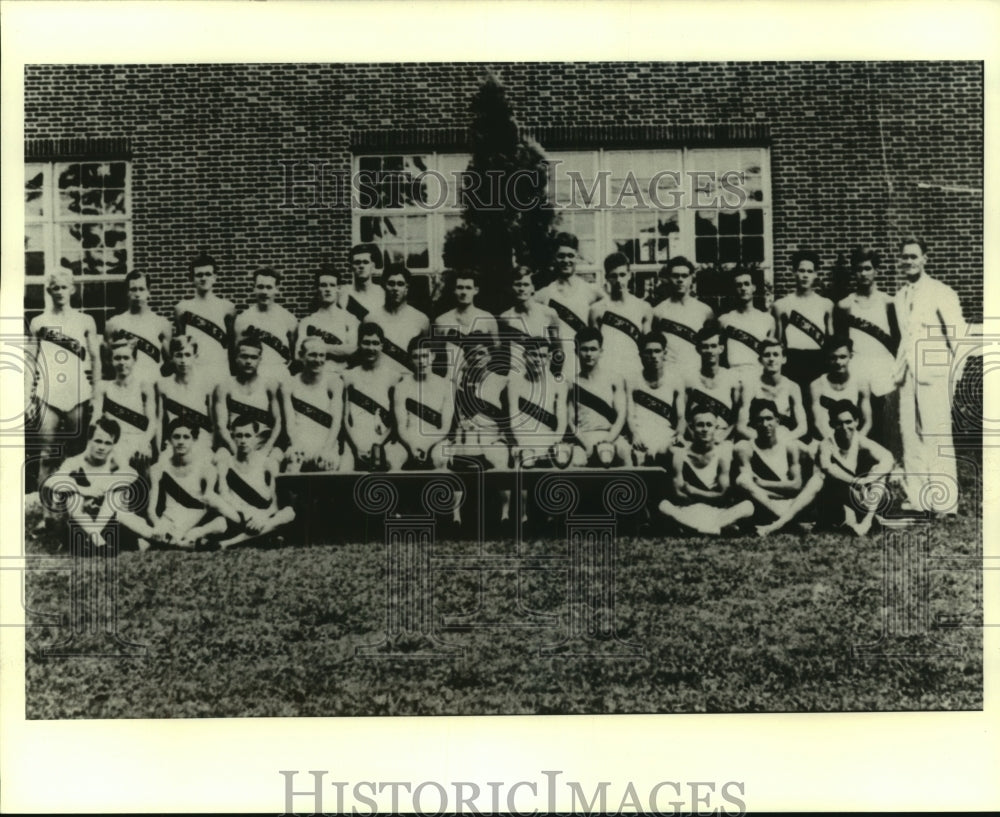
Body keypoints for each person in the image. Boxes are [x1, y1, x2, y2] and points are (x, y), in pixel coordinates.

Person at [893, 236, 970, 515]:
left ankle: (944, 502)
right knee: (909, 435)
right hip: (908, 375)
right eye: (904, 256)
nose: (909, 261)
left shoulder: (941, 292)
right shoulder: (900, 296)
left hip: (935, 374)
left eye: (914, 256)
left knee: (937, 435)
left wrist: (955, 376)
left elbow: (958, 336)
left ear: (925, 259)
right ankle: (917, 498)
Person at [758, 400, 893, 536]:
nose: (845, 427)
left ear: (856, 422)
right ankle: (779, 524)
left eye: (848, 422)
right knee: (819, 478)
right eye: (839, 423)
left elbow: (888, 458)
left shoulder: (862, 442)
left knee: (879, 469)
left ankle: (868, 521)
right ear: (831, 424)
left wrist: (868, 479)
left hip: (867, 499)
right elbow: (827, 468)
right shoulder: (826, 445)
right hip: (837, 502)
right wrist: (855, 481)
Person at [28, 270, 102, 514]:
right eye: (55, 287)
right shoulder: (39, 322)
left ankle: (78, 510)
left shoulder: (85, 321)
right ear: (49, 291)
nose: (60, 292)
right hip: (47, 394)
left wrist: (97, 395)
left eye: (64, 287)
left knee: (78, 454)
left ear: (72, 289)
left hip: (78, 393)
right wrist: (28, 395)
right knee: (47, 455)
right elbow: (31, 360)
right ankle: (47, 514)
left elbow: (96, 359)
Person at [45, 417, 157, 551]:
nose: (102, 447)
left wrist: (101, 488)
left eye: (108, 443)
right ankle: (97, 539)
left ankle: (95, 537)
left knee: (118, 490)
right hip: (80, 521)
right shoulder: (75, 462)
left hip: (106, 520)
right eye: (98, 441)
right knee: (71, 491)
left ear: (114, 444)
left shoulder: (114, 460)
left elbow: (131, 474)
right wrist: (85, 490)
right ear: (89, 440)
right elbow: (50, 482)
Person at [834, 246, 900, 451]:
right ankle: (860, 458)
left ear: (876, 271)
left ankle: (889, 459)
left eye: (867, 268)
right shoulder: (845, 305)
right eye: (859, 269)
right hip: (858, 364)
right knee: (860, 415)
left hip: (883, 363)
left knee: (886, 416)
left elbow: (897, 339)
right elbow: (841, 341)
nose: (863, 273)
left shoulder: (888, 302)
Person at [657, 404, 755, 535]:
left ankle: (696, 529)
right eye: (700, 425)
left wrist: (693, 491)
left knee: (748, 506)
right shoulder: (680, 455)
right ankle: (712, 529)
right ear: (691, 428)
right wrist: (709, 496)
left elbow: (723, 496)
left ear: (716, 428)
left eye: (709, 425)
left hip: (716, 512)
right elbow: (679, 495)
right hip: (689, 511)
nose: (705, 429)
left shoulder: (722, 455)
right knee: (664, 506)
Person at [146, 417, 235, 549]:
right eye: (176, 437)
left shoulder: (206, 469)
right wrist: (159, 525)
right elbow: (151, 510)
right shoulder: (159, 468)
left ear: (194, 440)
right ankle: (184, 544)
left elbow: (207, 506)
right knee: (144, 544)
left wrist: (182, 529)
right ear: (169, 440)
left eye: (186, 437)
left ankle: (183, 540)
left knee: (221, 524)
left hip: (196, 520)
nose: (181, 442)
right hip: (169, 519)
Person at [734, 398, 815, 532]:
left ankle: (783, 520)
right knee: (742, 480)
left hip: (790, 503)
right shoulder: (745, 448)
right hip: (764, 503)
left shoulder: (789, 446)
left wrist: (762, 483)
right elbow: (749, 487)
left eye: (769, 419)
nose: (765, 424)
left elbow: (796, 485)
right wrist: (777, 492)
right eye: (760, 420)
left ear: (777, 421)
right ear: (753, 423)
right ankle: (789, 522)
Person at [216, 415, 296, 549]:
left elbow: (274, 503)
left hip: (262, 516)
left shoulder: (267, 463)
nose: (243, 440)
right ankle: (264, 536)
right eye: (239, 436)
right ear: (233, 437)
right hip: (237, 517)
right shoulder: (225, 464)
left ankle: (228, 544)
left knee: (289, 513)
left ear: (256, 438)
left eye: (247, 436)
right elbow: (224, 496)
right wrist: (246, 515)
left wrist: (261, 518)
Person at [534, 232, 605, 374]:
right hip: (557, 362)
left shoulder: (592, 291)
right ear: (554, 258)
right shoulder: (543, 295)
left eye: (570, 255)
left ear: (577, 257)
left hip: (584, 360)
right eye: (561, 256)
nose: (566, 260)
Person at [341, 322, 406, 472]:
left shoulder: (394, 377)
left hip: (384, 438)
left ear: (382, 346)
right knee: (344, 467)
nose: (371, 348)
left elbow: (396, 419)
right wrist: (356, 447)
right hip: (354, 438)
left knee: (392, 462)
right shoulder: (348, 376)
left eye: (375, 343)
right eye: (366, 343)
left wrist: (379, 445)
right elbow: (344, 418)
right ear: (359, 344)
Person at [91, 335, 157, 475]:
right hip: (113, 441)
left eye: (126, 358)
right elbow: (96, 419)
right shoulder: (103, 387)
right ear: (111, 361)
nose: (122, 362)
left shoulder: (144, 386)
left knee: (142, 462)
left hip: (138, 440)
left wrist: (145, 442)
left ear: (134, 360)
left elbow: (152, 421)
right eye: (117, 358)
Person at [772, 250, 834, 396]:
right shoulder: (782, 305)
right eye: (801, 271)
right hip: (793, 361)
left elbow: (831, 340)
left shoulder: (826, 304)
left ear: (815, 274)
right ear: (794, 273)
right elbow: (779, 341)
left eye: (809, 271)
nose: (805, 275)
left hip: (818, 360)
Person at [213, 336, 283, 463]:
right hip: (235, 444)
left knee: (276, 458)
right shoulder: (224, 386)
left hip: (262, 444)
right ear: (236, 358)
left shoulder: (269, 385)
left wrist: (265, 451)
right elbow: (221, 426)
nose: (249, 361)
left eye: (253, 357)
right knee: (219, 458)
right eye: (244, 356)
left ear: (260, 359)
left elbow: (278, 422)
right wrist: (236, 452)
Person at [568, 327, 629, 467]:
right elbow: (570, 421)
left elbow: (621, 416)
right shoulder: (571, 383)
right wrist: (585, 443)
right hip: (584, 437)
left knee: (624, 451)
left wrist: (608, 440)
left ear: (601, 351)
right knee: (575, 461)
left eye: (593, 349)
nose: (589, 354)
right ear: (576, 351)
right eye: (584, 349)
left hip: (610, 435)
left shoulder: (614, 379)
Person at [392, 334, 454, 470]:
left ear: (433, 356)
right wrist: (412, 445)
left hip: (436, 439)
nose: (421, 361)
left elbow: (445, 427)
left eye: (425, 356)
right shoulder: (402, 386)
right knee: (393, 457)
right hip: (408, 439)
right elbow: (401, 425)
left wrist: (427, 444)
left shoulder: (445, 386)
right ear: (410, 359)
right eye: (416, 357)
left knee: (440, 456)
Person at [283, 336, 344, 473]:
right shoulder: (290, 384)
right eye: (312, 355)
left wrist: (327, 449)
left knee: (328, 464)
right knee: (292, 463)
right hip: (300, 444)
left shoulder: (333, 382)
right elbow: (290, 423)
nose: (318, 360)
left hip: (326, 445)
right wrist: (296, 445)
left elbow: (336, 422)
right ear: (301, 356)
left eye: (322, 355)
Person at [507, 336, 569, 469]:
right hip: (523, 439)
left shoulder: (558, 384)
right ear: (524, 355)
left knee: (561, 459)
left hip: (549, 439)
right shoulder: (515, 383)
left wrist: (555, 442)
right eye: (533, 355)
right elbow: (514, 419)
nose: (537, 360)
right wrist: (523, 443)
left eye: (542, 356)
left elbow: (562, 420)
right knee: (527, 461)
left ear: (549, 357)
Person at [589, 252, 653, 380]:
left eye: (622, 275)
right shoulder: (597, 309)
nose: (619, 280)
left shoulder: (643, 307)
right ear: (607, 277)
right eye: (614, 276)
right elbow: (593, 347)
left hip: (634, 370)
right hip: (606, 371)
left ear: (629, 275)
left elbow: (648, 347)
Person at [626, 331, 686, 467]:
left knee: (675, 454)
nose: (653, 356)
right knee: (636, 457)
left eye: (657, 351)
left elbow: (681, 417)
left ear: (664, 354)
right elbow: (629, 416)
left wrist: (680, 434)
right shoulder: (632, 380)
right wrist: (634, 434)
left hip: (664, 433)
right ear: (641, 355)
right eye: (648, 352)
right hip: (639, 432)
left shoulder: (676, 380)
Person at [103, 270, 172, 385]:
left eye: (141, 289)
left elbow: (169, 363)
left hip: (152, 385)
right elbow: (106, 362)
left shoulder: (161, 323)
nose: (137, 294)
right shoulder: (114, 323)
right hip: (125, 387)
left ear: (149, 292)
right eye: (133, 289)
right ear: (127, 292)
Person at [174, 253, 236, 376]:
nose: (204, 278)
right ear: (192, 278)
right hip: (194, 370)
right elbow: (181, 344)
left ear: (215, 277)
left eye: (208, 274)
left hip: (219, 368)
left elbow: (232, 346)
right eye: (199, 275)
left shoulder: (227, 308)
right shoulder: (182, 308)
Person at [651, 256, 714, 375]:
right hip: (669, 373)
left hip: (696, 372)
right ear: (669, 278)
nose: (680, 280)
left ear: (691, 279)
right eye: (675, 276)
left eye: (684, 276)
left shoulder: (705, 311)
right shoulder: (658, 311)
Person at [233, 267, 298, 381]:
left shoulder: (288, 318)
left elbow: (293, 355)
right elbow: (237, 354)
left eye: (269, 287)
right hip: (253, 376)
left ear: (276, 289)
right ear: (254, 288)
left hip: (280, 373)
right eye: (260, 287)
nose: (264, 292)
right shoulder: (243, 319)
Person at [736, 339, 807, 441]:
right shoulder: (750, 386)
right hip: (756, 437)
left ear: (784, 359)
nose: (771, 359)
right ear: (760, 360)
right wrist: (762, 440)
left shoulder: (792, 387)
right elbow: (741, 427)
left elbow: (802, 427)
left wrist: (783, 440)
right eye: (767, 355)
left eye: (776, 354)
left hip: (783, 437)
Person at [433, 269, 500, 378]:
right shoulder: (442, 321)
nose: (464, 292)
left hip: (481, 382)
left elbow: (496, 354)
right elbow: (435, 357)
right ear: (454, 290)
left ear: (476, 290)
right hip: (451, 383)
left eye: (468, 288)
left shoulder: (487, 319)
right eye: (460, 287)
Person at [366, 264, 431, 374]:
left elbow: (427, 358)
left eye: (400, 284)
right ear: (384, 286)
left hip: (409, 381)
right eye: (391, 284)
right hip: (380, 380)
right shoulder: (371, 318)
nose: (395, 288)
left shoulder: (421, 319)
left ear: (407, 288)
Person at [683, 323, 742, 442]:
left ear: (721, 348)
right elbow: (682, 417)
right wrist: (694, 437)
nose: (709, 351)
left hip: (722, 437)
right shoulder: (689, 379)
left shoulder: (732, 378)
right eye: (705, 347)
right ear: (698, 349)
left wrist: (723, 437)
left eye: (713, 346)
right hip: (696, 437)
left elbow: (737, 419)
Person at [296, 265, 359, 376]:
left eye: (332, 285)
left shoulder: (349, 319)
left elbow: (352, 350)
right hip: (314, 377)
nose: (328, 289)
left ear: (338, 288)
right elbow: (298, 354)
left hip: (341, 375)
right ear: (317, 289)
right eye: (323, 285)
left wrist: (320, 347)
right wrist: (338, 350)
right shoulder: (307, 322)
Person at [498, 266, 560, 377]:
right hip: (516, 377)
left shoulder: (549, 314)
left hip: (542, 376)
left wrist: (555, 376)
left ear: (533, 288)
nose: (522, 289)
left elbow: (557, 350)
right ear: (511, 287)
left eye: (526, 285)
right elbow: (504, 354)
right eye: (517, 284)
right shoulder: (505, 318)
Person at [157, 335, 214, 454]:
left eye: (187, 355)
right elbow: (159, 423)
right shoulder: (163, 386)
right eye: (178, 355)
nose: (183, 360)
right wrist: (158, 452)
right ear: (172, 357)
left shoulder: (207, 385)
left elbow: (213, 426)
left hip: (202, 445)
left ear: (195, 356)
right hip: (174, 446)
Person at [808, 337, 872, 444]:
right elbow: (817, 423)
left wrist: (856, 442)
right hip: (824, 440)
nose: (838, 362)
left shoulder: (861, 384)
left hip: (852, 441)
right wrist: (831, 444)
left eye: (843, 357)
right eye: (833, 358)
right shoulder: (816, 385)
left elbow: (868, 422)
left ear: (850, 356)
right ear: (828, 358)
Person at [718, 267, 776, 380]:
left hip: (758, 376)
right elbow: (720, 353)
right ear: (734, 289)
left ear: (753, 287)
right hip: (732, 376)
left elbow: (772, 354)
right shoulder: (724, 320)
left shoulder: (767, 320)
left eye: (746, 284)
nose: (743, 288)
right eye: (739, 285)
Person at [340, 243, 386, 322]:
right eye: (357, 262)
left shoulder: (382, 293)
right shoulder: (343, 293)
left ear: (373, 265)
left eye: (365, 262)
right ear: (351, 267)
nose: (361, 266)